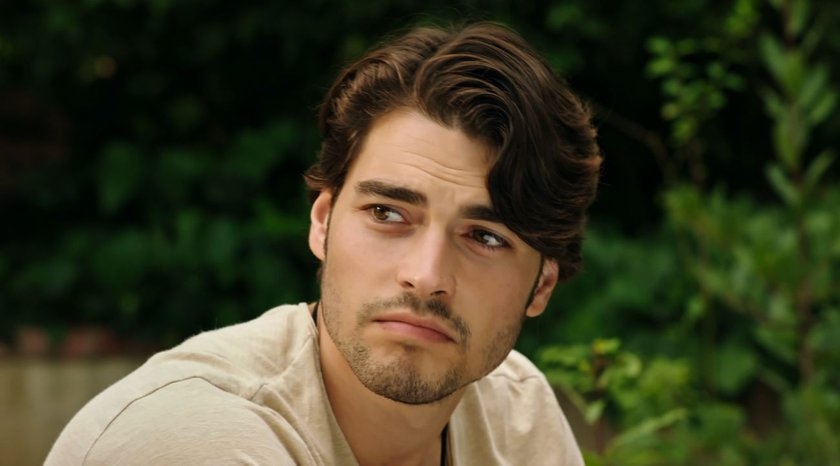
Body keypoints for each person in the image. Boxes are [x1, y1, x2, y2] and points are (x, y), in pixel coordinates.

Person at [46, 21, 602, 465]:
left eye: (484, 236)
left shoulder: (516, 414)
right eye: (387, 214)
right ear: (322, 222)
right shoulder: (192, 439)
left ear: (542, 284)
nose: (426, 275)